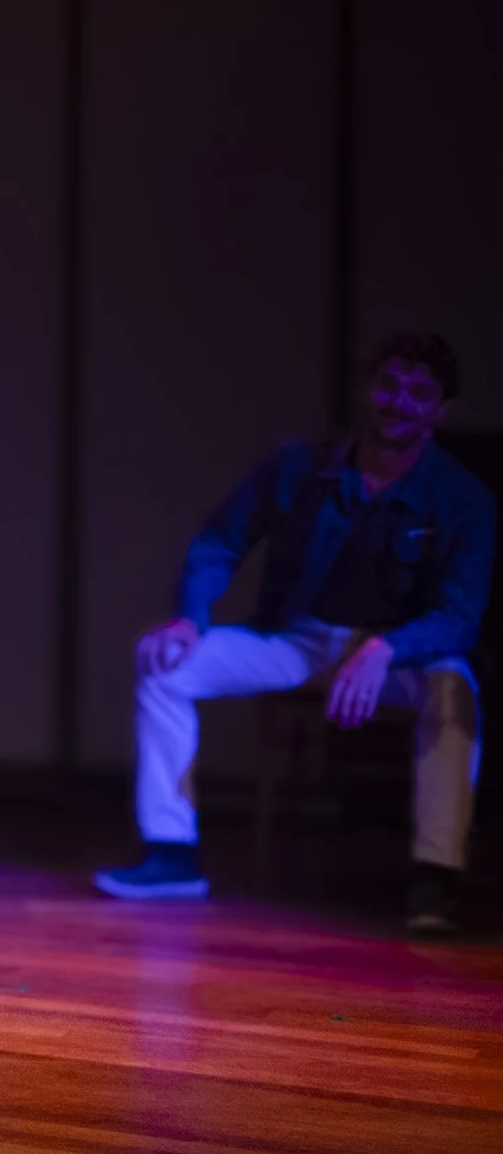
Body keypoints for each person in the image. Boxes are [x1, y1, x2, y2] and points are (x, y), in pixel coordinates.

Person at [96, 334, 492, 935]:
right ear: (367, 388)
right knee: (163, 663)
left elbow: (460, 616)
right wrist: (190, 617)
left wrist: (387, 649)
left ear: (440, 410)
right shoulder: (301, 466)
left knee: (454, 692)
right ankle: (171, 855)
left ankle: (434, 877)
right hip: (299, 640)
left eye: (419, 393)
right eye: (388, 384)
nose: (398, 401)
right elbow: (219, 540)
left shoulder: (463, 499)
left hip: (396, 656)